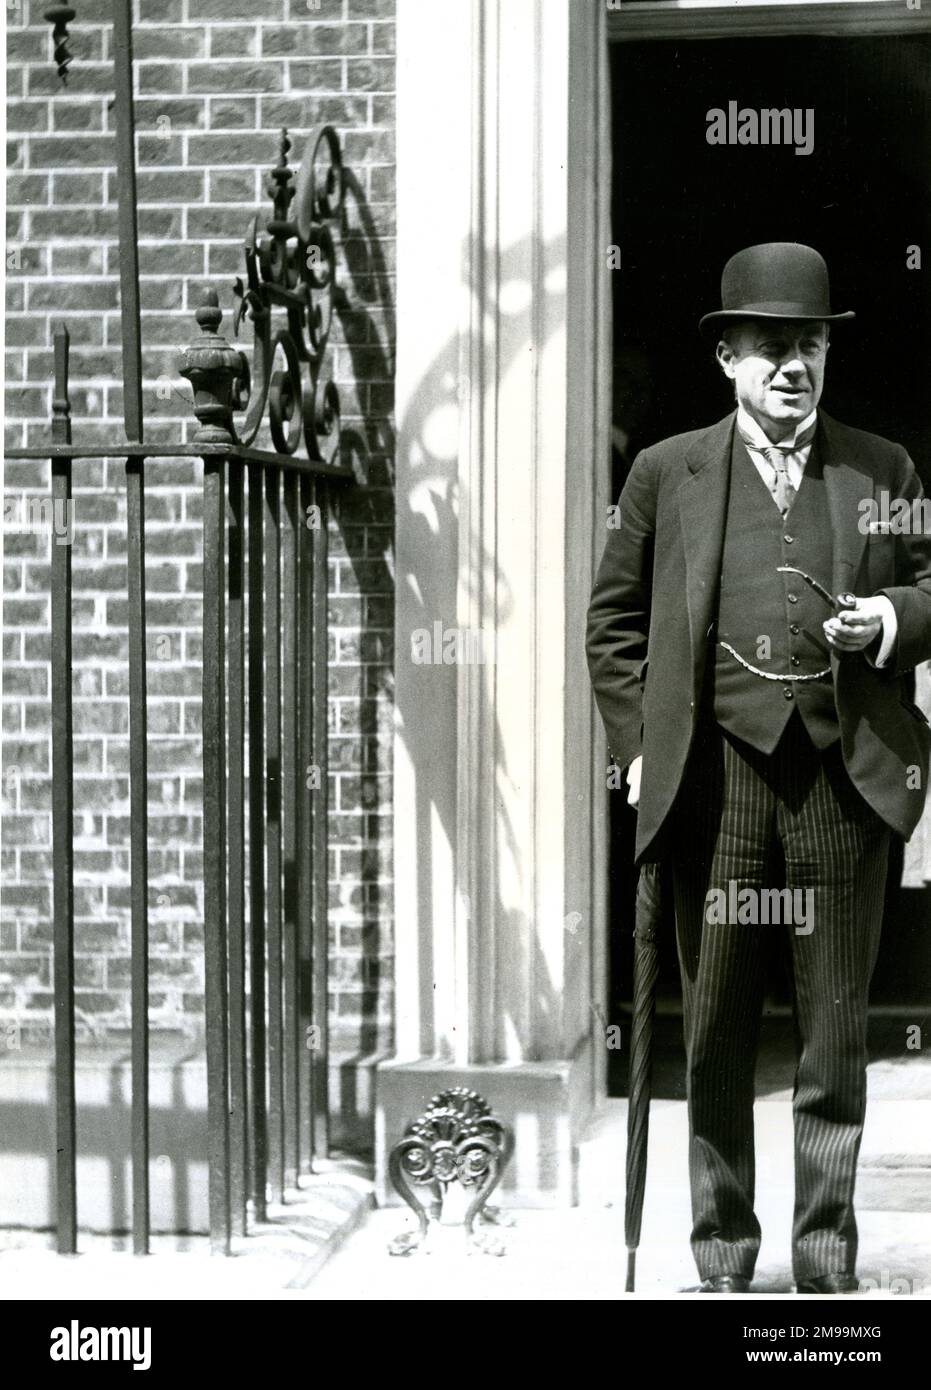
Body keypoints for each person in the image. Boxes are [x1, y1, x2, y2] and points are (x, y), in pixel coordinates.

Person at [586, 242, 931, 1294]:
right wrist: (638, 748)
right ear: (726, 358)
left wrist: (888, 618)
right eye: (770, 345)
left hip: (841, 783)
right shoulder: (666, 472)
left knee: (833, 1041)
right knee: (720, 1035)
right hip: (717, 786)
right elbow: (612, 626)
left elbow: (929, 583)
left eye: (810, 344)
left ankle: (825, 1270)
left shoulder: (883, 470)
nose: (793, 365)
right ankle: (723, 1264)